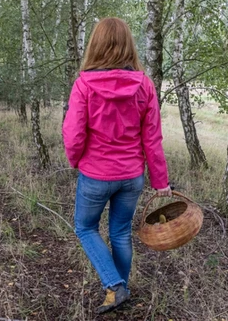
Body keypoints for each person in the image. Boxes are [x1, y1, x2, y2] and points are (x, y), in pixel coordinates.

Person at [62, 17, 171, 314]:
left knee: (85, 228)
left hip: (96, 174)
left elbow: (73, 133)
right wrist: (161, 181)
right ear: (128, 45)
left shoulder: (84, 83)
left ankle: (114, 285)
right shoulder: (144, 84)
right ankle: (120, 289)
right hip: (131, 175)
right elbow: (153, 139)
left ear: (96, 44)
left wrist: (75, 160)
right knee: (120, 232)